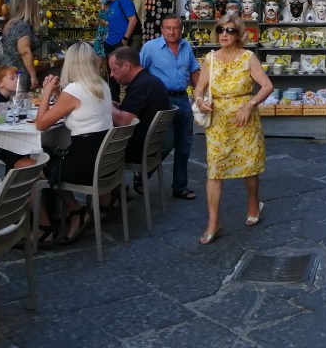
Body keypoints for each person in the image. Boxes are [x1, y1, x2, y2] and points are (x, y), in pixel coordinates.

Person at [191, 14, 273, 245]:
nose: (224, 34)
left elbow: (267, 86)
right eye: (220, 29)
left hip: (243, 119)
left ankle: (253, 202)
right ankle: (213, 223)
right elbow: (198, 88)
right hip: (218, 123)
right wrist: (199, 101)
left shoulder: (248, 57)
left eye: (230, 30)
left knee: (249, 165)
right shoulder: (210, 59)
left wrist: (250, 104)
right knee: (215, 170)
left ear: (239, 34)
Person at [35, 41, 115, 246]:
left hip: (83, 165)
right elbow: (74, 106)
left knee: (32, 167)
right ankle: (73, 212)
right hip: (101, 161)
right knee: (47, 156)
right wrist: (56, 95)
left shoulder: (74, 89)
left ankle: (59, 218)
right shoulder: (101, 85)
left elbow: (41, 125)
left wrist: (45, 93)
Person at [140, 14, 201, 200]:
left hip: (182, 99)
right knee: (166, 142)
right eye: (168, 28)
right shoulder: (149, 48)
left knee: (185, 144)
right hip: (161, 101)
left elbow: (193, 71)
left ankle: (180, 187)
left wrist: (199, 96)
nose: (172, 31)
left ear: (181, 29)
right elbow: (139, 74)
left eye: (175, 28)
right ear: (162, 29)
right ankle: (142, 175)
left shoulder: (186, 46)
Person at [108, 46, 172, 188]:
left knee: (94, 148)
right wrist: (116, 106)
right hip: (150, 148)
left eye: (113, 69)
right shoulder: (149, 81)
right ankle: (115, 193)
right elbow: (135, 110)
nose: (112, 75)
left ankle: (110, 196)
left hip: (138, 150)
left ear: (126, 66)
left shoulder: (142, 85)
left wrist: (105, 104)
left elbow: (124, 122)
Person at [0, 65, 39, 170]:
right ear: (0, 84)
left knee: (20, 146)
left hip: (3, 132)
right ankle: (12, 175)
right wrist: (10, 103)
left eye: (17, 78)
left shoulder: (8, 96)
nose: (17, 81)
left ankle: (16, 172)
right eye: (12, 78)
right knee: (14, 150)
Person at [98, 0, 139, 101]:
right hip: (109, 41)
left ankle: (129, 101)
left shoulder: (124, 0)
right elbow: (103, 20)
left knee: (126, 71)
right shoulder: (109, 3)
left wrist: (125, 38)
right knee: (113, 75)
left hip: (120, 42)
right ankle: (114, 102)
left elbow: (133, 19)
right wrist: (103, 6)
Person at [1, 0, 40, 88]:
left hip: (6, 70)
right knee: (18, 100)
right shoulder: (22, 26)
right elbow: (24, 52)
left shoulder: (10, 23)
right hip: (17, 73)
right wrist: (33, 75)